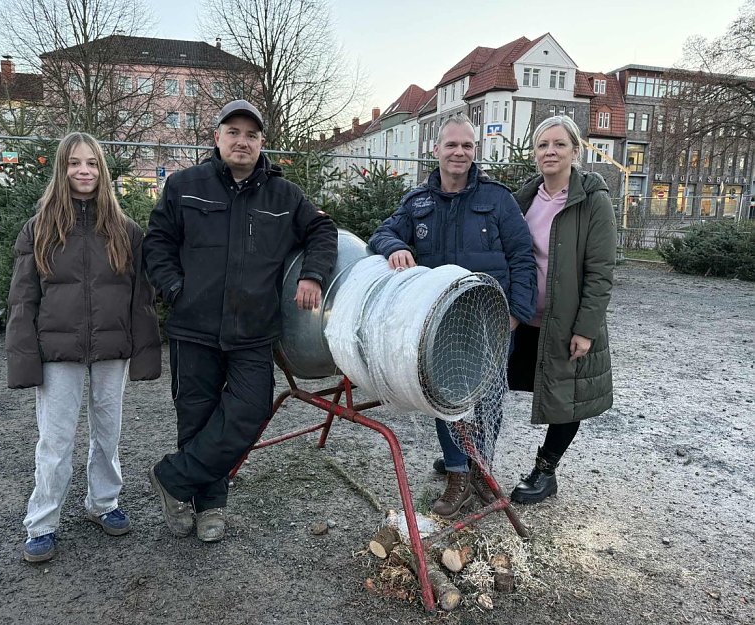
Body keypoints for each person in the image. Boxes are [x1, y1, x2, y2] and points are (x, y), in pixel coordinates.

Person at [143, 100, 337, 542]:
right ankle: (209, 506)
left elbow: (322, 231)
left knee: (248, 412)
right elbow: (158, 243)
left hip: (253, 331)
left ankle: (172, 478)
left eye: (251, 135)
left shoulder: (283, 196)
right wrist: (175, 289)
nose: (242, 141)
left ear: (262, 143)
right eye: (233, 132)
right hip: (194, 327)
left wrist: (313, 273)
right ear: (217, 137)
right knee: (196, 416)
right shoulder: (184, 186)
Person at [368, 115, 536, 519]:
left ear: (474, 151)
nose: (459, 152)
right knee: (445, 396)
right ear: (436, 150)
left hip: (489, 320)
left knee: (490, 399)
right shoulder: (417, 203)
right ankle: (458, 473)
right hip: (439, 321)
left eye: (467, 146)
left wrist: (515, 316)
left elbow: (522, 257)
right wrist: (394, 247)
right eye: (452, 145)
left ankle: (483, 468)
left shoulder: (498, 200)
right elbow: (381, 232)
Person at [6, 132, 162, 563]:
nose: (83, 171)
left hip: (112, 352)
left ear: (102, 171)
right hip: (58, 354)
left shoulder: (124, 230)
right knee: (55, 442)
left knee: (107, 435)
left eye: (91, 163)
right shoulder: (39, 230)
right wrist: (23, 361)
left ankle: (103, 503)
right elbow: (23, 299)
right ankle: (42, 523)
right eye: (75, 163)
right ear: (62, 169)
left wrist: (146, 352)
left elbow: (139, 297)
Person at [507, 115, 617, 504]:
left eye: (558, 144)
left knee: (566, 398)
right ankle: (467, 459)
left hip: (567, 322)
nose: (550, 151)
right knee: (492, 384)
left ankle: (545, 470)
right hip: (521, 318)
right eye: (542, 145)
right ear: (534, 153)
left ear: (575, 150)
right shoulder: (524, 198)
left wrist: (585, 329)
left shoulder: (592, 200)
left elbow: (601, 271)